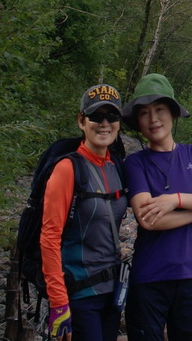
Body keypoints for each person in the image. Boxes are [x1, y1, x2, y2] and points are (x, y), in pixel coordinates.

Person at [121, 73, 192, 341]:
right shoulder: (135, 163)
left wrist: (174, 200)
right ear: (138, 121)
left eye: (159, 109)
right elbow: (149, 220)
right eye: (144, 113)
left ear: (173, 113)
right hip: (148, 279)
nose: (153, 119)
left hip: (190, 277)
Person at [40, 84, 128, 341]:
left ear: (119, 123)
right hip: (79, 294)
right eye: (96, 116)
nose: (104, 123)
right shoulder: (68, 169)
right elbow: (49, 237)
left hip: (112, 292)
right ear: (81, 121)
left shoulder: (116, 166)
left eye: (111, 116)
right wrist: (58, 302)